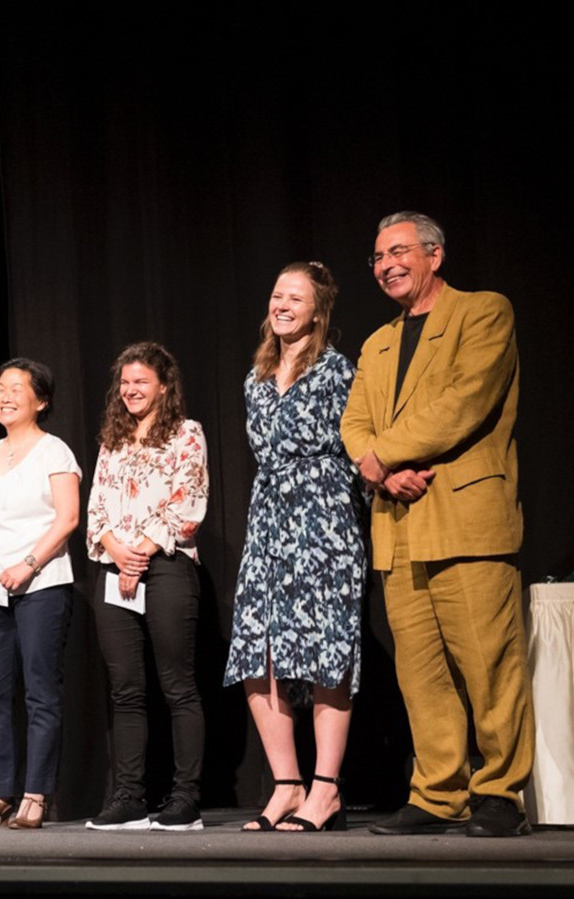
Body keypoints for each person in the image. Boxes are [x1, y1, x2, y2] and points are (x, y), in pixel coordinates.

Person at [341, 212, 532, 838]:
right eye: (377, 257)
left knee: (488, 663)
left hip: (466, 516)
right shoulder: (377, 343)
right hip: (399, 525)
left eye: (398, 251)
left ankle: (501, 791)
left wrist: (383, 455)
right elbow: (355, 426)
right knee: (421, 674)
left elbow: (464, 402)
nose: (387, 265)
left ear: (435, 254)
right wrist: (381, 472)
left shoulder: (483, 313)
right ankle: (437, 793)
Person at [224, 262, 365, 832]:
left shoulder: (338, 371)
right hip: (268, 521)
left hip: (325, 516)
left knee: (327, 648)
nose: (281, 304)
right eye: (276, 294)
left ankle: (326, 790)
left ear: (317, 310)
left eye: (295, 297)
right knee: (258, 650)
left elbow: (356, 444)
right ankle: (287, 783)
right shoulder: (255, 377)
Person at [84, 342, 209, 832]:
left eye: (142, 381)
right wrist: (116, 550)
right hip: (114, 570)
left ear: (163, 386)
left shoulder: (185, 433)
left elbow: (188, 502)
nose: (131, 390)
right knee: (126, 691)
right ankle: (130, 797)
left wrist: (141, 551)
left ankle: (185, 799)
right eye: (126, 382)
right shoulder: (112, 440)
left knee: (177, 686)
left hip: (168, 565)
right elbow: (95, 509)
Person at [0, 358, 81, 830]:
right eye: (0, 388)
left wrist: (27, 564)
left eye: (16, 389)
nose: (4, 397)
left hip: (41, 585)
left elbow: (66, 519)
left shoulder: (55, 453)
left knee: (41, 693)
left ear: (40, 401)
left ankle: (35, 794)